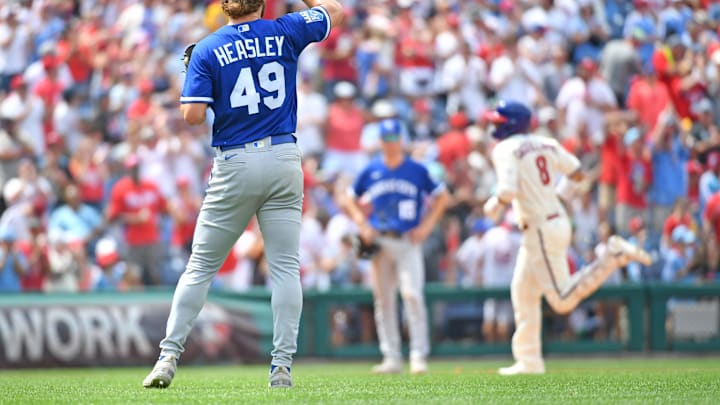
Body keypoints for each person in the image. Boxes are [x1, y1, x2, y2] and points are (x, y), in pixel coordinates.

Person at [142, 0, 343, 389]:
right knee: (285, 266)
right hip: (284, 155)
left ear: (224, 7)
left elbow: (193, 115)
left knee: (200, 266)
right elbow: (333, 9)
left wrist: (197, 77)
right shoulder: (286, 29)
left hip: (235, 160)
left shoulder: (208, 47)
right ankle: (281, 367)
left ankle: (168, 357)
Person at [482, 101, 652, 375]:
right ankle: (529, 360)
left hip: (539, 228)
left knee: (562, 300)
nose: (494, 125)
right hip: (554, 220)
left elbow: (507, 189)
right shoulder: (546, 143)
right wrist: (560, 195)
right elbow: (577, 172)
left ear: (512, 123)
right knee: (523, 291)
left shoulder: (505, 148)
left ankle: (611, 257)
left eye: (499, 121)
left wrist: (494, 203)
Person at [343, 118, 450, 375]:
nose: (391, 144)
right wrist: (361, 223)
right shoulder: (371, 170)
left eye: (394, 139)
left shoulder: (416, 169)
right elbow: (349, 197)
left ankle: (418, 355)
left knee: (412, 294)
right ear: (380, 142)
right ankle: (391, 356)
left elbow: (443, 197)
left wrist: (426, 226)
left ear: (401, 140)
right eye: (387, 140)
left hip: (407, 240)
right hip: (380, 239)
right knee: (384, 299)